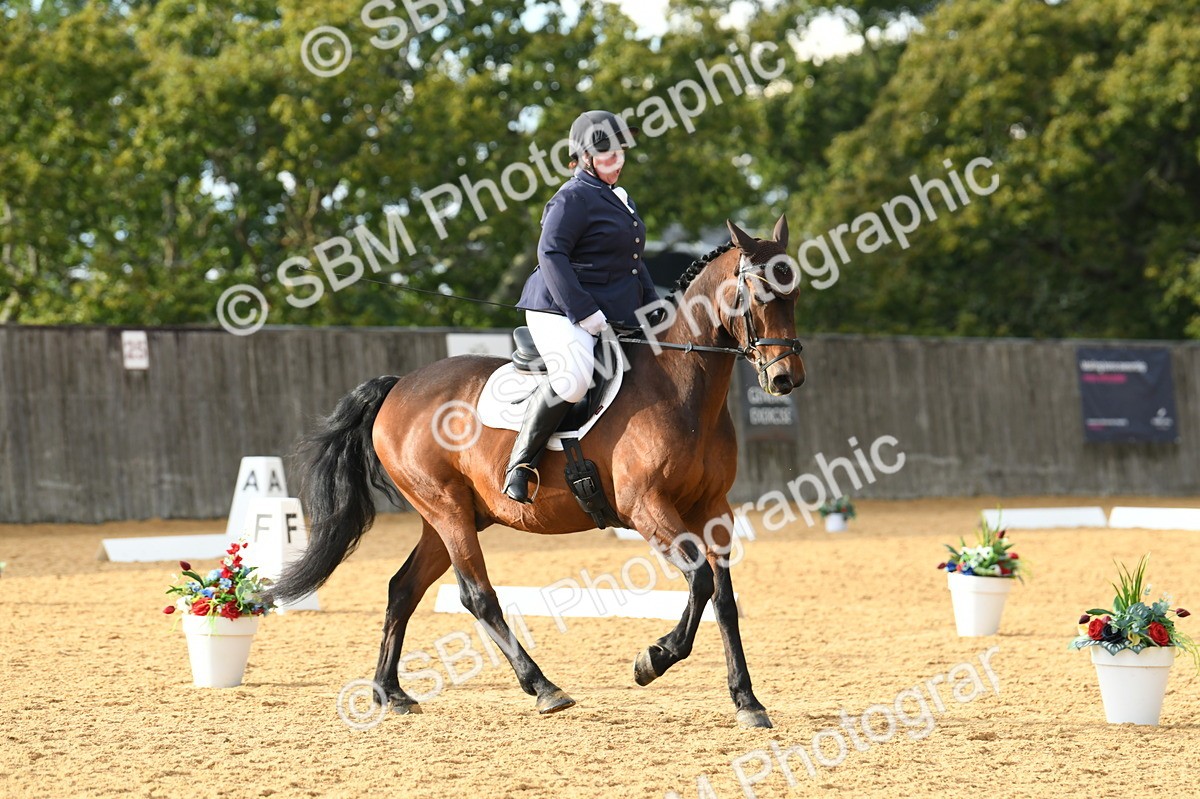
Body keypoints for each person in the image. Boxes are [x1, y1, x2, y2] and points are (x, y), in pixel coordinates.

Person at [504, 110, 660, 503]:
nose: (618, 162)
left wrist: (654, 306)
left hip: (614, 310)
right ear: (585, 157)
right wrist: (584, 312)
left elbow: (632, 261)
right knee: (573, 377)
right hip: (559, 307)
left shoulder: (621, 199)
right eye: (608, 155)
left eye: (621, 153)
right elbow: (551, 254)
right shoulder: (571, 198)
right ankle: (520, 465)